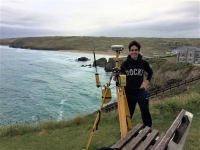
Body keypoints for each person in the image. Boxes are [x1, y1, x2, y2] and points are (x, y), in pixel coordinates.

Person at [120, 40, 153, 127]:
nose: (134, 52)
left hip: (140, 92)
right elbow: (119, 75)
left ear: (138, 51)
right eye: (132, 50)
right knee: (128, 113)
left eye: (136, 50)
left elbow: (150, 72)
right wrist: (115, 75)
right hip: (129, 93)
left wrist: (146, 82)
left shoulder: (143, 63)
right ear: (129, 51)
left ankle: (147, 129)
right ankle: (125, 129)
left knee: (145, 111)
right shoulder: (124, 64)